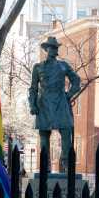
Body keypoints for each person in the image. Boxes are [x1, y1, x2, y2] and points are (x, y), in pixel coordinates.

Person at [29, 37, 81, 173]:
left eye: (55, 47)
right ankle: (45, 167)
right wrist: (32, 105)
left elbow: (76, 81)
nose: (54, 49)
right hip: (44, 104)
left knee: (66, 131)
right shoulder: (38, 67)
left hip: (60, 102)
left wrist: (68, 95)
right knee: (44, 136)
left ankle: (65, 165)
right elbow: (33, 88)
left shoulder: (63, 65)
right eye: (51, 47)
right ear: (47, 49)